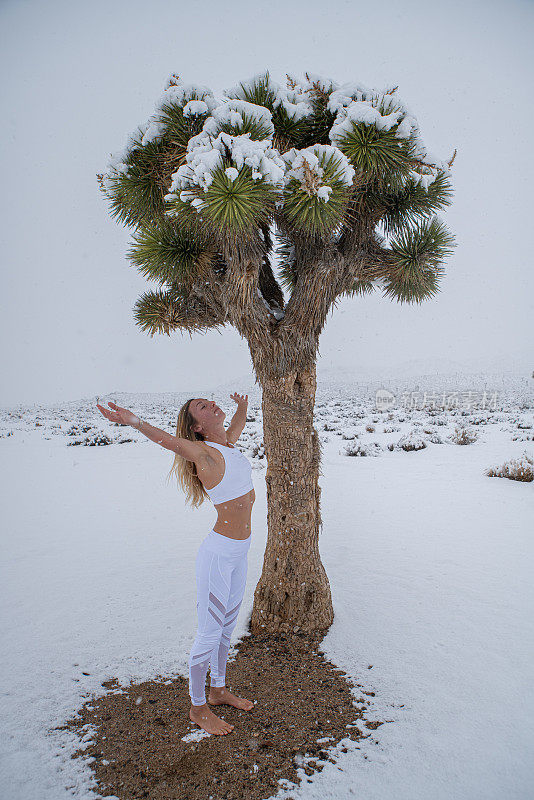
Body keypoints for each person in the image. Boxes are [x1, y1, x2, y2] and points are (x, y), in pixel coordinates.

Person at [96, 394, 255, 736]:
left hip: (239, 552)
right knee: (209, 634)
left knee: (227, 630)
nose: (212, 403)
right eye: (202, 406)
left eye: (210, 400)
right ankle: (198, 709)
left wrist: (242, 407)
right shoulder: (204, 453)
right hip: (217, 556)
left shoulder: (226, 444)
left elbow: (236, 427)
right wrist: (134, 421)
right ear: (197, 427)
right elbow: (168, 441)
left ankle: (218, 690)